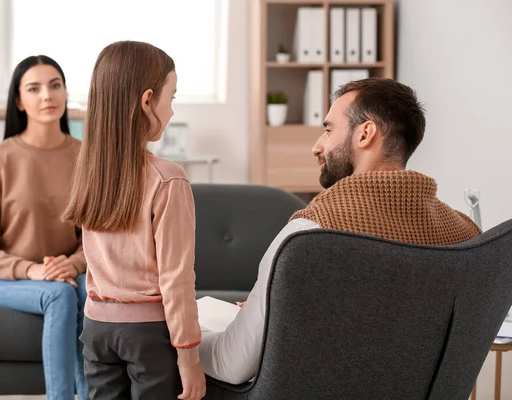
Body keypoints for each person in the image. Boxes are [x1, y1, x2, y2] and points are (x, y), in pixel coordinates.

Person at [198, 77, 482, 385]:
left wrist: (177, 338)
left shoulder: (311, 232)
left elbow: (230, 364)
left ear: (365, 134)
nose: (316, 146)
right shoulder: (466, 236)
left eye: (329, 129)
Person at [61, 40, 206, 400]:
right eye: (170, 98)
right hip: (148, 335)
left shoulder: (89, 172)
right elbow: (176, 279)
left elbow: (93, 260)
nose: (171, 112)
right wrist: (189, 358)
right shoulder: (168, 179)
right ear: (146, 101)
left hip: (96, 328)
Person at [0, 55, 89, 400]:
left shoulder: (86, 158)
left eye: (55, 85)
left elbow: (96, 235)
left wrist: (74, 263)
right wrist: (33, 270)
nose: (47, 96)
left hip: (64, 271)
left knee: (85, 288)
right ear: (19, 101)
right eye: (34, 89)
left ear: (64, 92)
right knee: (60, 293)